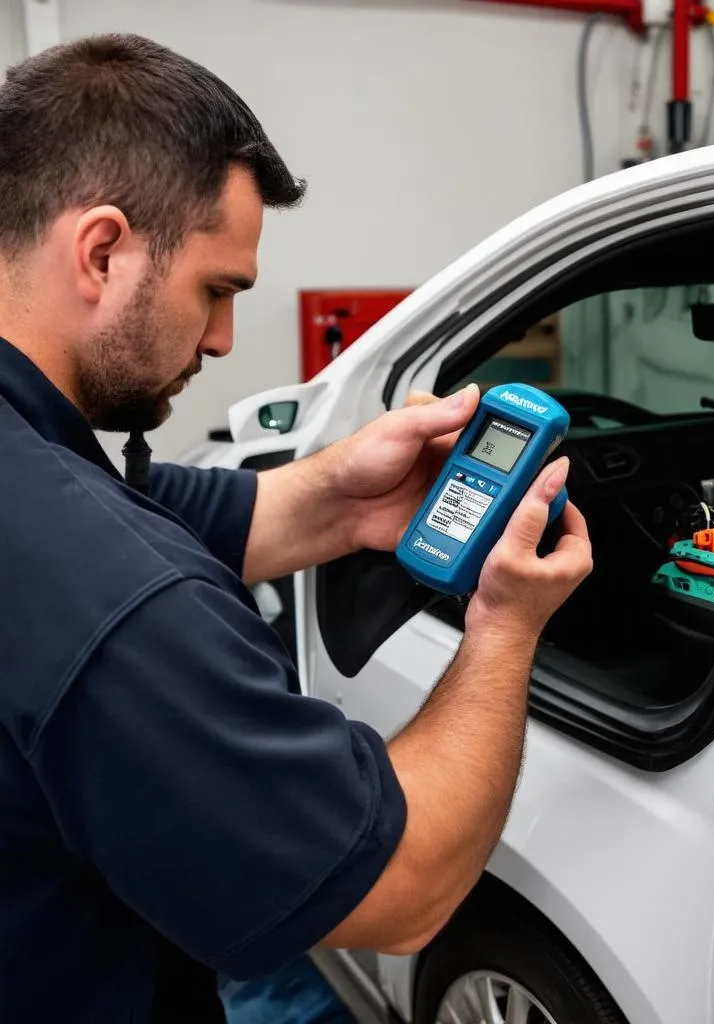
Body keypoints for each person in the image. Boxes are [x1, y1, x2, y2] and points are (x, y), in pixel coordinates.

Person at [0, 33, 593, 1024]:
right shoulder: (114, 601)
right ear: (101, 250)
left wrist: (340, 498)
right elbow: (404, 893)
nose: (226, 337)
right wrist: (504, 625)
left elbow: (144, 510)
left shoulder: (42, 470)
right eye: (218, 289)